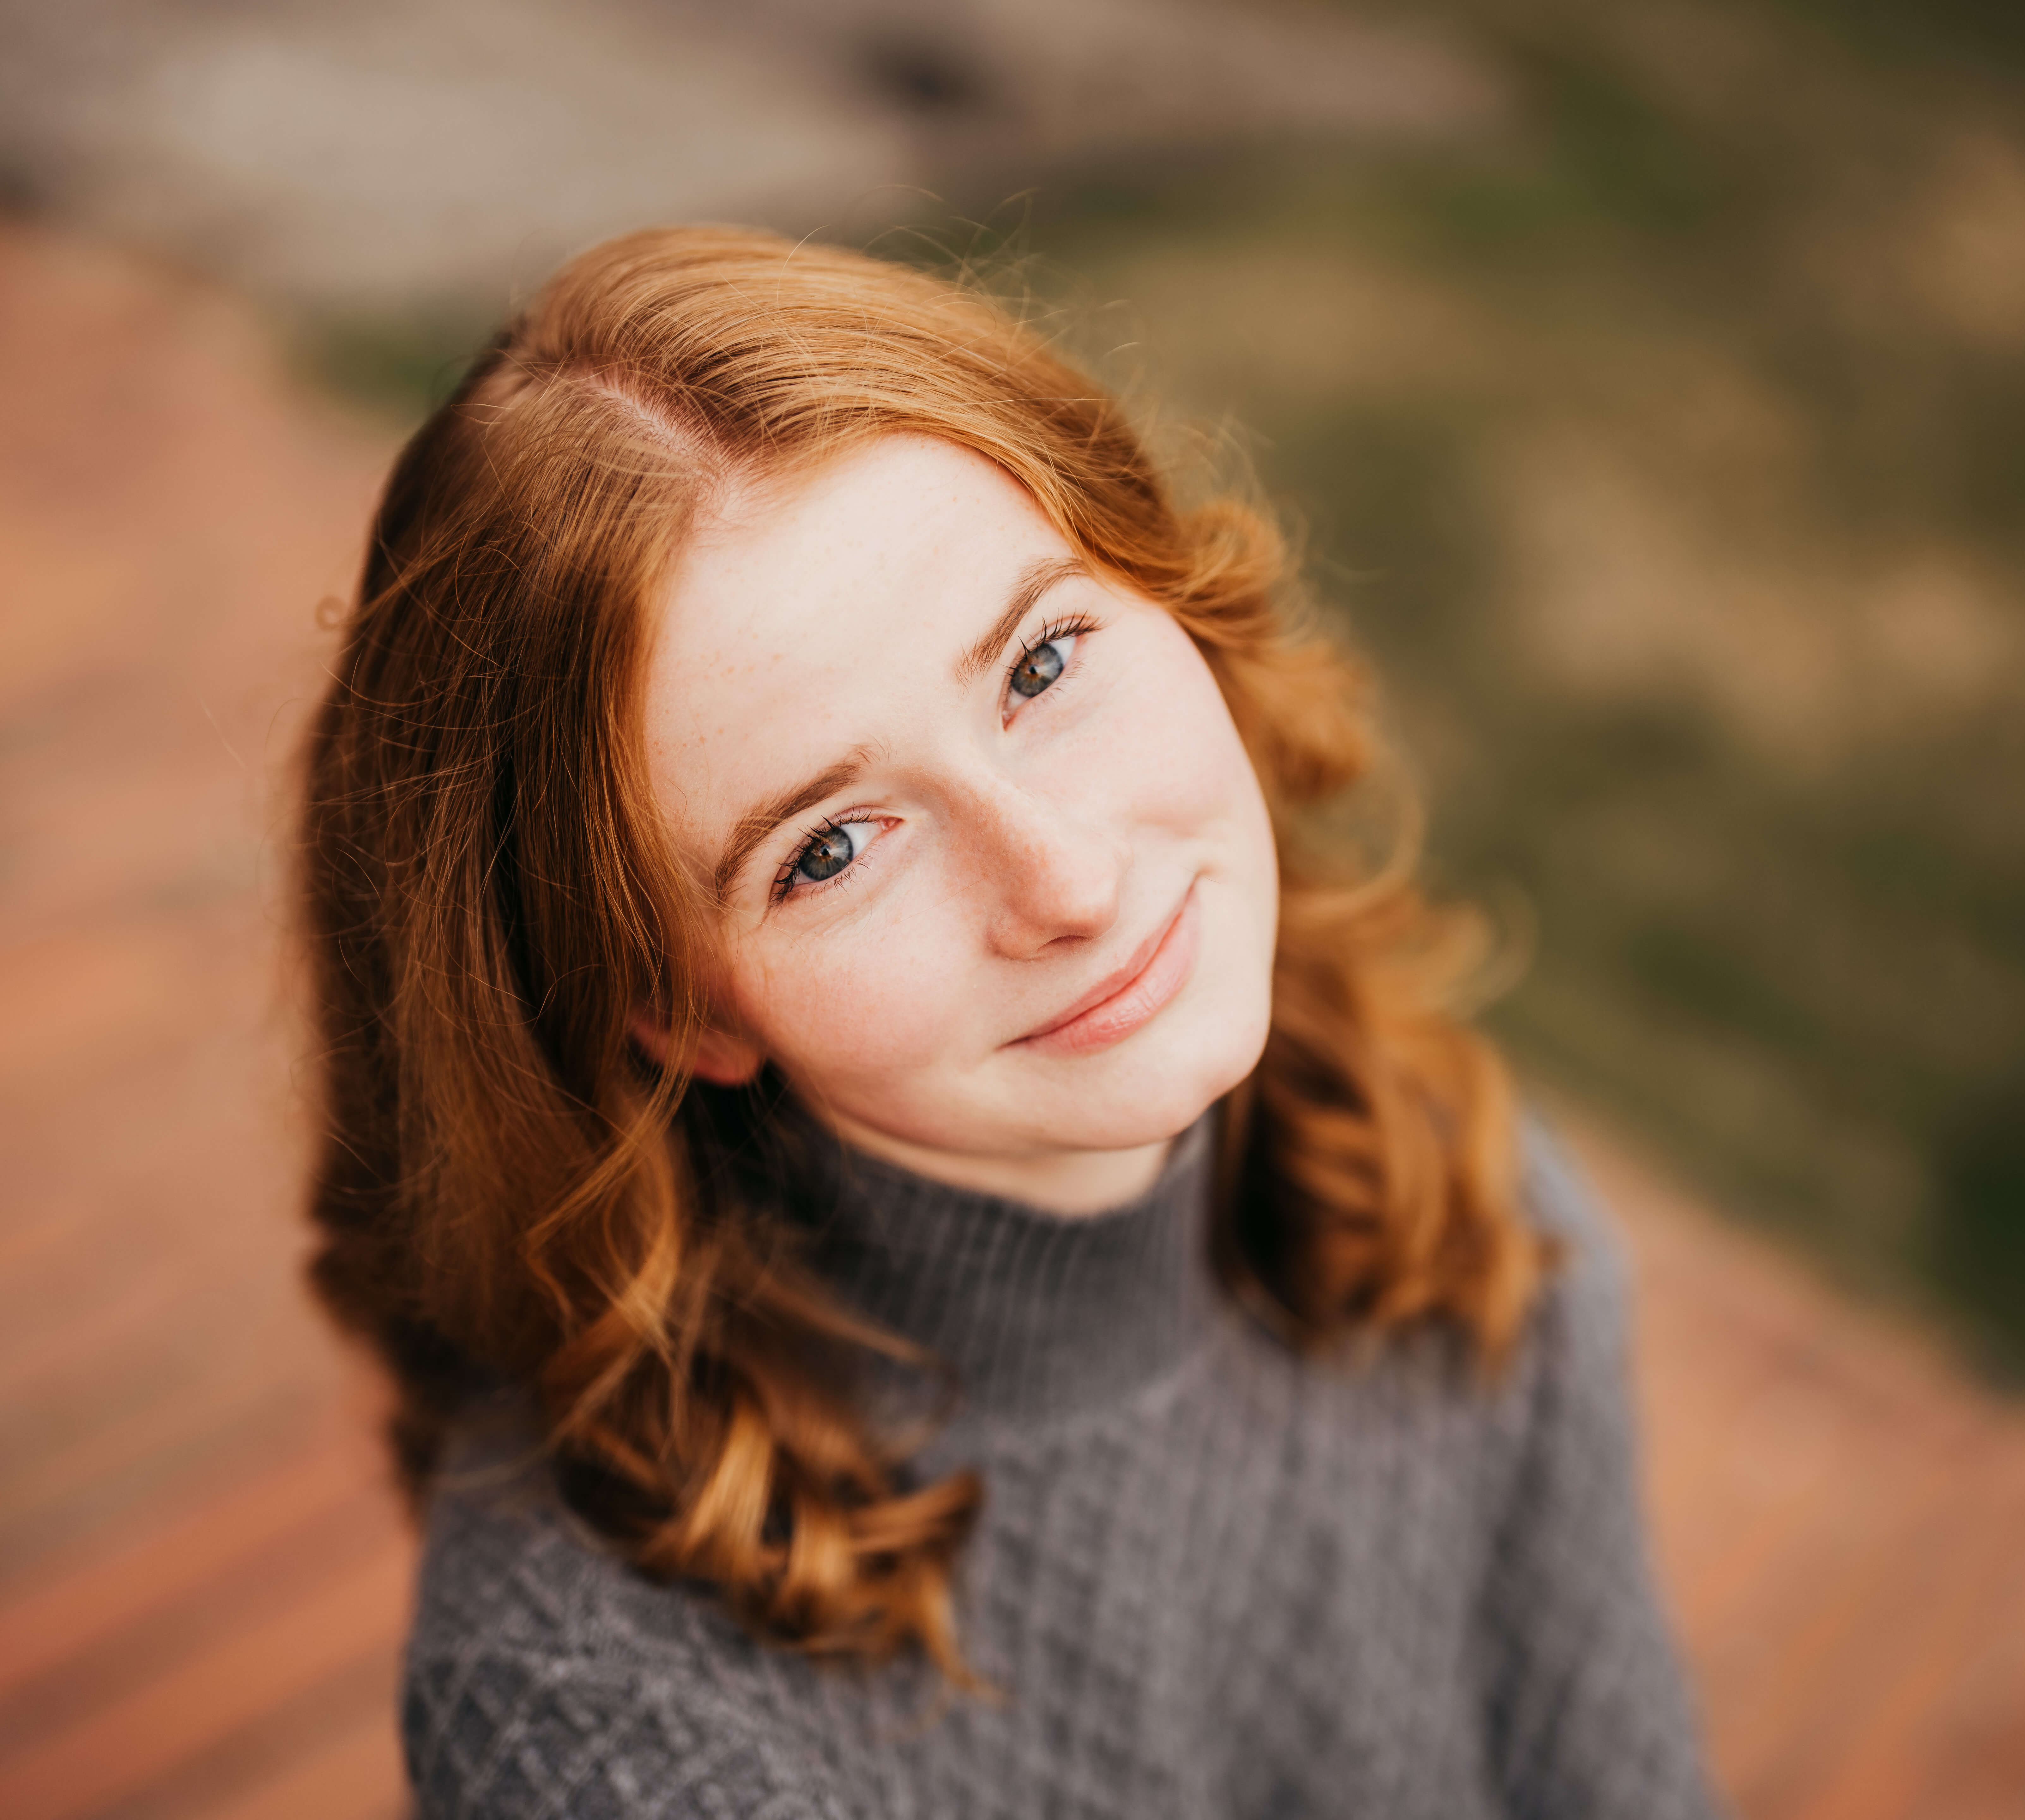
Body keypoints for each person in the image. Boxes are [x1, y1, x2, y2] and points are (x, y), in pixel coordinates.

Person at [299, 224, 1721, 1818]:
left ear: (1158, 582)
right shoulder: (596, 1707)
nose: (1065, 876)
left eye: (1044, 659)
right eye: (827, 849)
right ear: (674, 1011)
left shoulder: (1456, 1204)